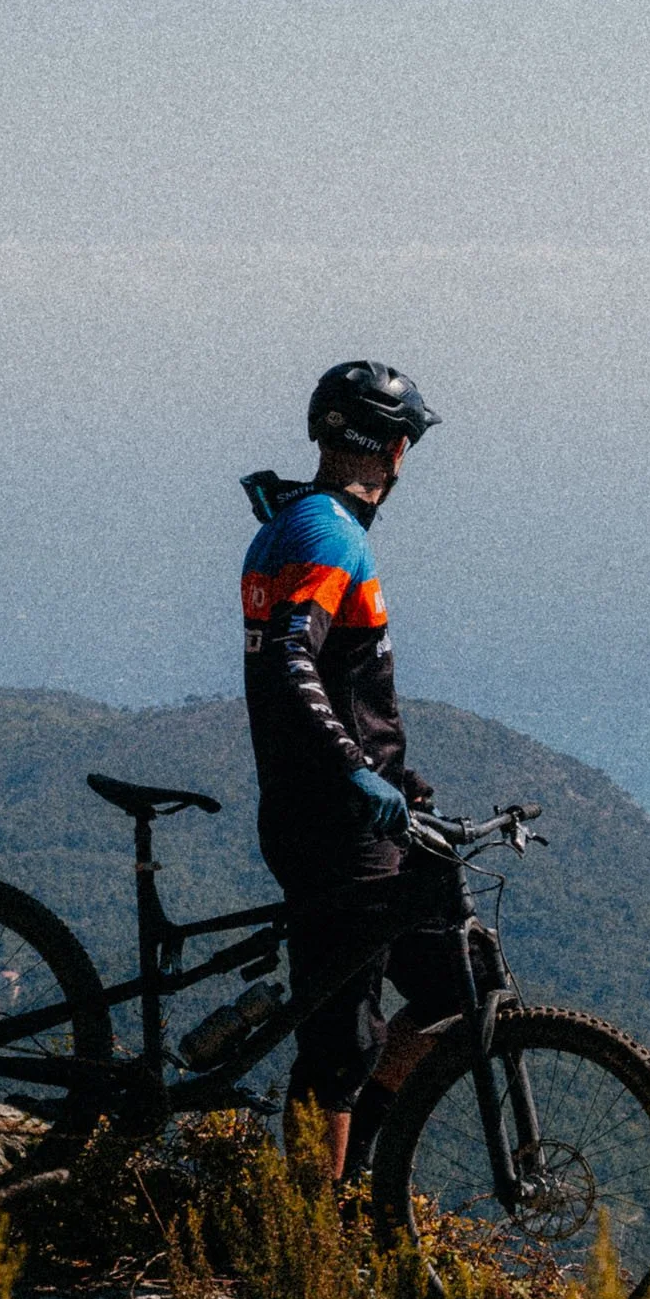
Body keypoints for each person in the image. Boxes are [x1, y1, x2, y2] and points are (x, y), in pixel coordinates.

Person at [240, 359, 454, 1178]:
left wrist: (392, 781)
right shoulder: (329, 533)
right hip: (336, 828)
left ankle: (358, 1169)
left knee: (454, 981)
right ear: (395, 452)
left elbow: (325, 681)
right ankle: (310, 1233)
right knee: (339, 1040)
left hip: (359, 817)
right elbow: (295, 660)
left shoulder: (300, 522)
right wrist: (357, 775)